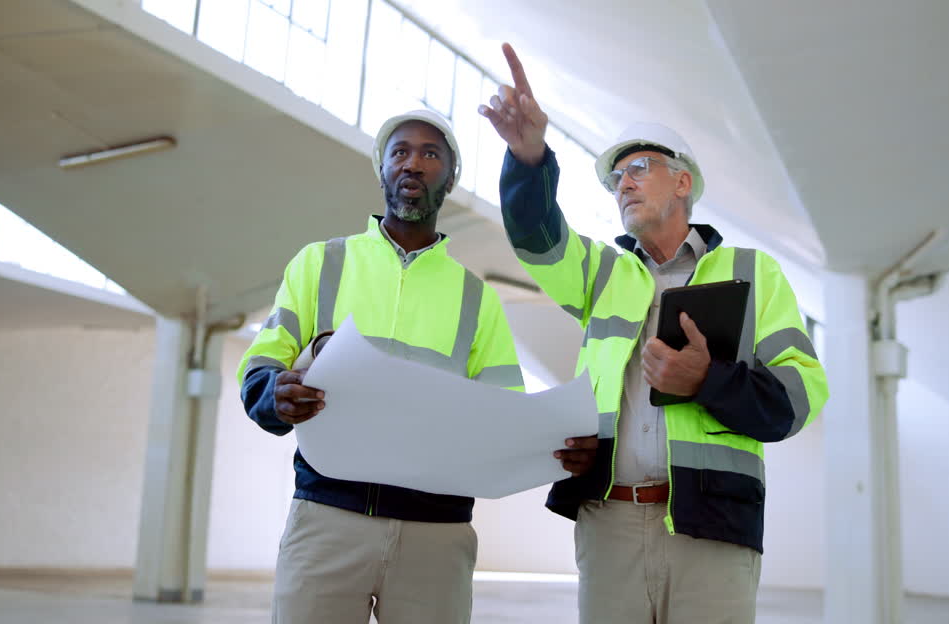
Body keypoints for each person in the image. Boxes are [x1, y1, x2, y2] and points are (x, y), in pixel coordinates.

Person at [480, 44, 828, 624]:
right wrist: (529, 157)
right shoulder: (602, 272)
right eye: (617, 177)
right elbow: (536, 238)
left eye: (639, 168)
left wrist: (708, 380)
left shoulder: (753, 273)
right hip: (610, 522)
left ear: (683, 181)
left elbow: (800, 397)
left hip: (714, 528)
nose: (624, 184)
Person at [236, 109, 524, 624]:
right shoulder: (319, 263)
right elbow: (260, 366)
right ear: (383, 170)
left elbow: (508, 411)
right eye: (400, 152)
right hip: (328, 518)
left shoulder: (477, 299)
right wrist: (274, 393)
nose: (413, 163)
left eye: (430, 154)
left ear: (450, 178)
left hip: (436, 533)